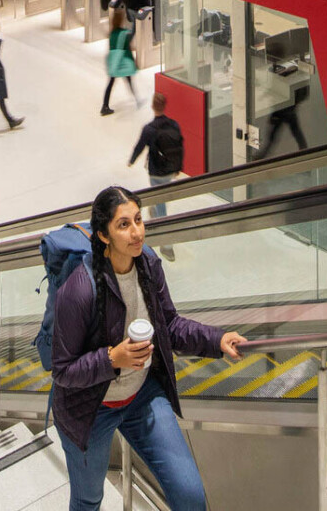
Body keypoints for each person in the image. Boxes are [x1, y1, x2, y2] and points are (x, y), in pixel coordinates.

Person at [51, 187, 243, 510]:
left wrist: (216, 340)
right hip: (89, 410)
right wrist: (114, 358)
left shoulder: (149, 266)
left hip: (141, 395)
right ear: (103, 235)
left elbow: (169, 326)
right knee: (88, 501)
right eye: (123, 225)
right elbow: (63, 370)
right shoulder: (80, 290)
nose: (137, 232)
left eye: (139, 220)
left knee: (190, 495)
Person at [130, 92, 184, 260]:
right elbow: (180, 146)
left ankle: (167, 246)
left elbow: (140, 146)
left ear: (153, 107)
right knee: (160, 197)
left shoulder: (150, 129)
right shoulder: (174, 125)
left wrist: (131, 160)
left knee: (162, 206)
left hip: (156, 172)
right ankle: (155, 207)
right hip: (170, 170)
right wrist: (178, 167)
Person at [100, 6, 138, 116]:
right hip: (123, 62)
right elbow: (128, 45)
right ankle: (137, 99)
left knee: (111, 82)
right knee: (129, 79)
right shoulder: (123, 33)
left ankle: (105, 105)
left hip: (113, 62)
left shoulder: (112, 33)